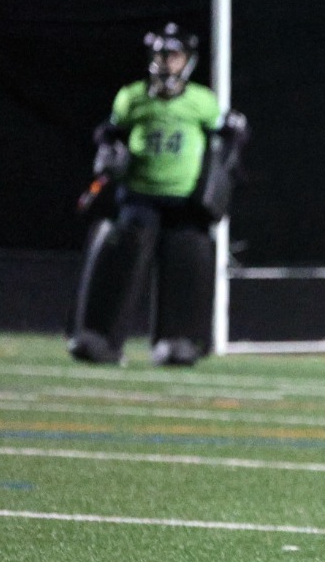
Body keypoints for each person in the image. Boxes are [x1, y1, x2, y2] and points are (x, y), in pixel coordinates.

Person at [68, 23, 247, 367]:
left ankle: (178, 340)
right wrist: (107, 151)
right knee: (119, 259)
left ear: (187, 60)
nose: (166, 63)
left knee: (185, 263)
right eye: (161, 55)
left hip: (184, 202)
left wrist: (224, 173)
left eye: (173, 55)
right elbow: (109, 131)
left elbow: (232, 134)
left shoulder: (201, 101)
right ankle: (99, 338)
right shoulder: (132, 97)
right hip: (138, 196)